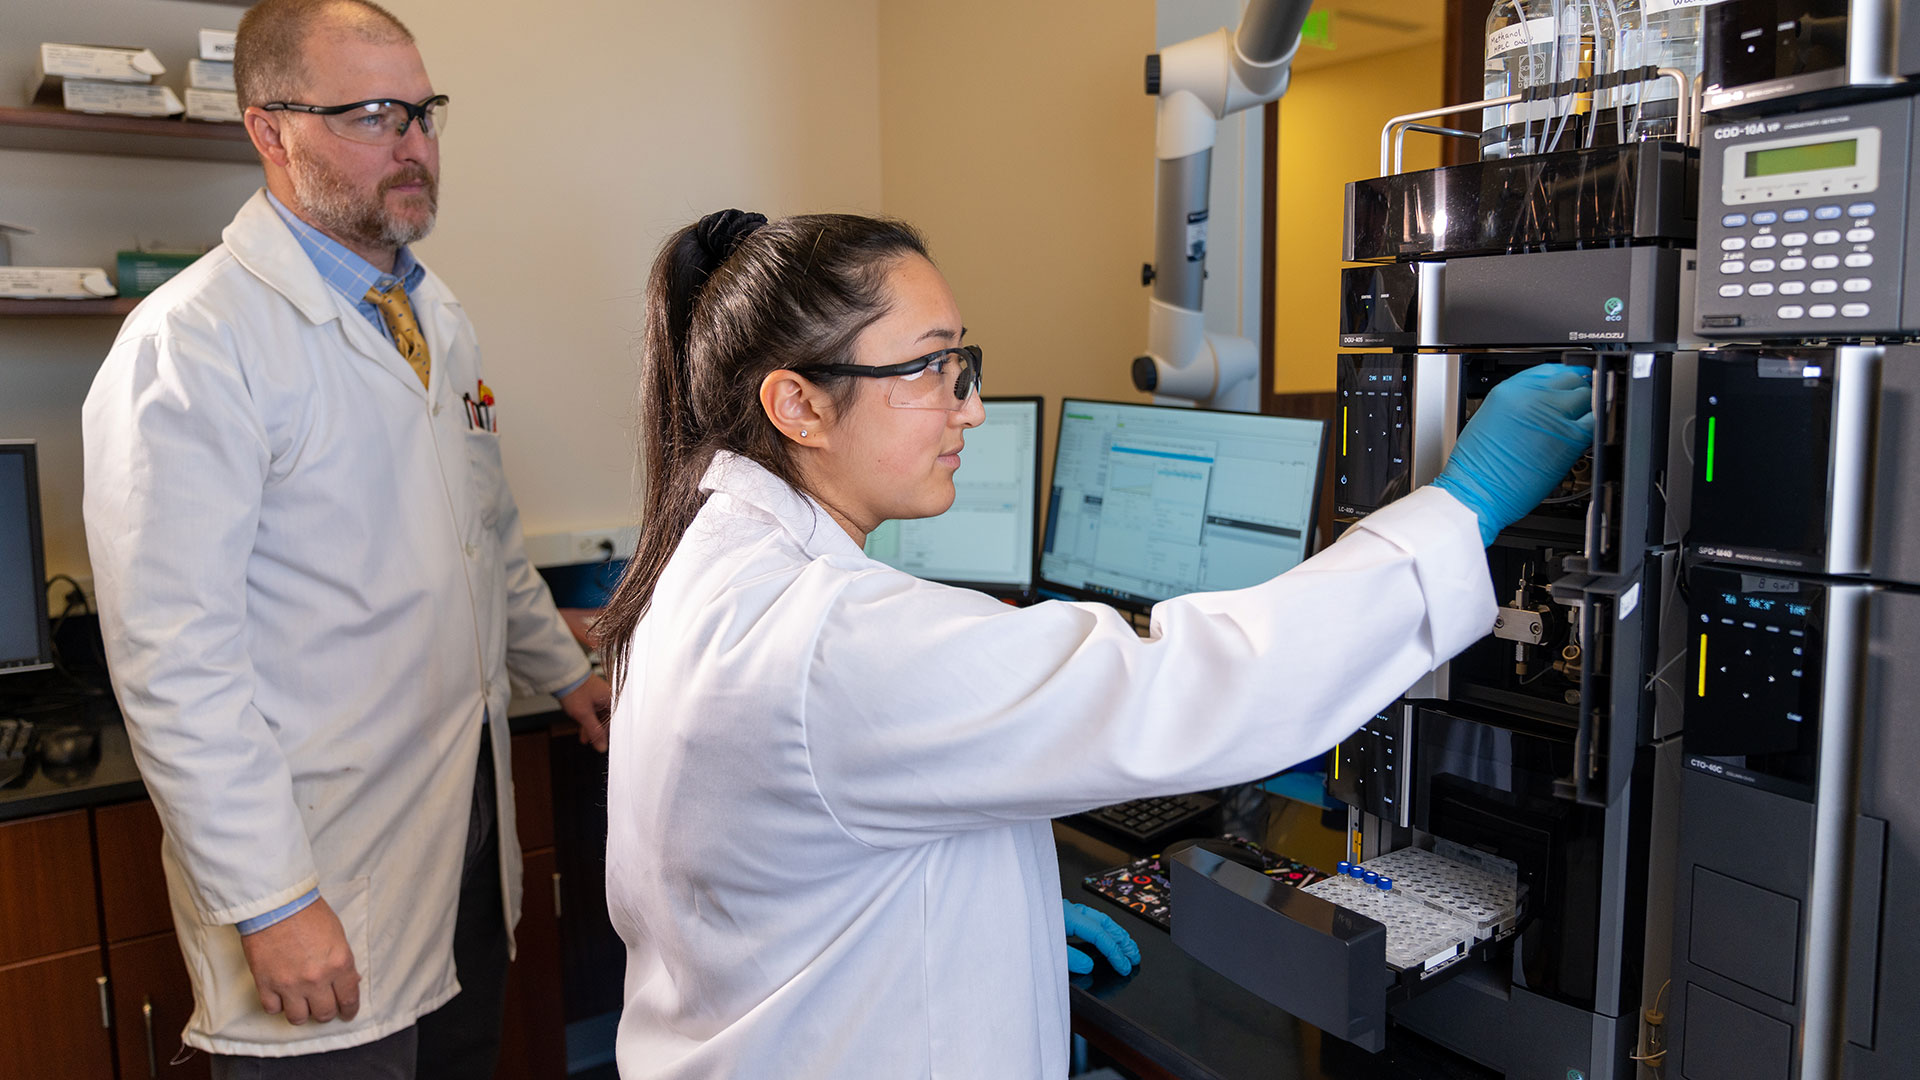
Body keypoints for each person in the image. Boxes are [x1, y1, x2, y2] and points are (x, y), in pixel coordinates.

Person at [596, 208, 1592, 1077]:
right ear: (798, 404)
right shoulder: (831, 642)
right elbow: (1200, 689)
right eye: (931, 369)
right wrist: (1461, 507)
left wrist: (1006, 924)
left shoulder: (700, 568)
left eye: (964, 362)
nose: (971, 406)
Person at [80, 1, 611, 1075]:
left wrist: (565, 675)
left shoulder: (434, 316)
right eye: (372, 114)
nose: (413, 143)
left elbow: (486, 537)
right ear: (269, 130)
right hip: (318, 878)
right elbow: (174, 666)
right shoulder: (191, 346)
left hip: (458, 844)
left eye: (422, 111)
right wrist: (271, 902)